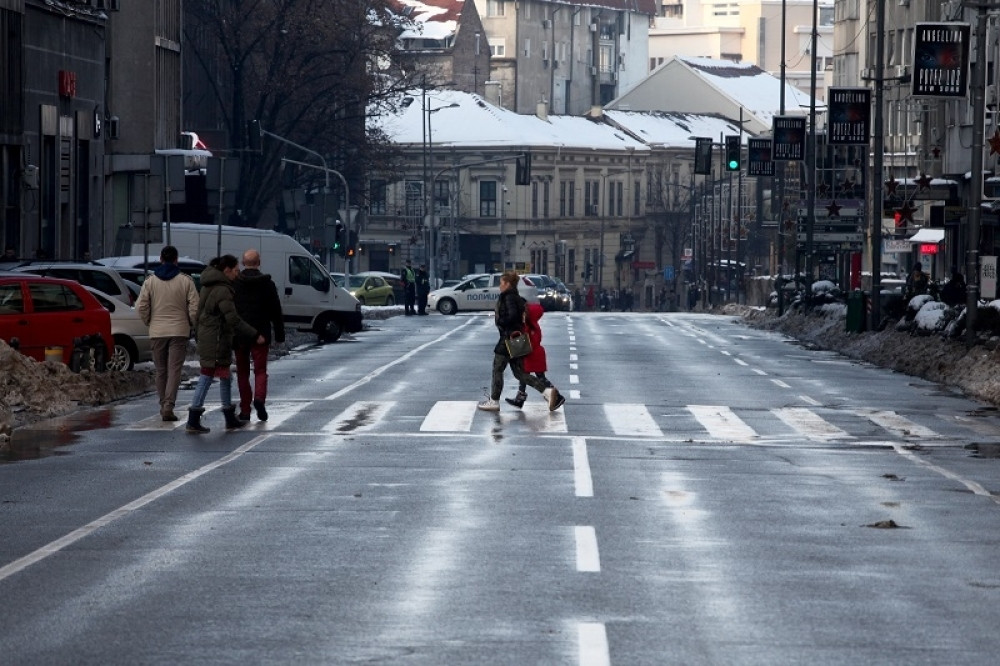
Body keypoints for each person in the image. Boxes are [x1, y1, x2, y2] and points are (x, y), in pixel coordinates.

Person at [186, 255, 264, 434]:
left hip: (211, 337)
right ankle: (193, 418)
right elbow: (233, 319)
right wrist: (254, 334)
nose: (238, 274)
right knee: (206, 376)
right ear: (226, 270)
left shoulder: (209, 285)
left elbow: (199, 314)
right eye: (236, 270)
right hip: (216, 339)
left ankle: (229, 417)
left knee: (226, 376)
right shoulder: (222, 290)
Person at [477, 271, 564, 412]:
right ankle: (547, 392)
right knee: (520, 373)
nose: (500, 286)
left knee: (497, 368)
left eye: (501, 283)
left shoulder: (508, 297)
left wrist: (501, 321)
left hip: (508, 339)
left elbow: (512, 316)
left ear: (507, 284)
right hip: (517, 338)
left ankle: (494, 400)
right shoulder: (517, 297)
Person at [136, 245, 200, 421]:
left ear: (161, 259)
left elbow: (141, 306)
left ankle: (162, 402)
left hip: (157, 331)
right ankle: (168, 406)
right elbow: (195, 307)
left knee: (161, 370)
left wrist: (149, 321)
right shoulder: (186, 281)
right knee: (174, 370)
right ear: (176, 259)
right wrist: (191, 324)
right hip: (179, 330)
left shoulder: (150, 281)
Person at [233, 249, 285, 422]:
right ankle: (260, 399)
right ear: (259, 263)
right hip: (261, 334)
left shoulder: (236, 284)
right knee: (261, 370)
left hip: (240, 334)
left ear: (242, 262)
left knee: (242, 373)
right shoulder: (267, 284)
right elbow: (276, 311)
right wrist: (279, 335)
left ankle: (245, 410)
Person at [505, 302, 554, 408]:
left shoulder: (530, 327)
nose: (522, 316)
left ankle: (555, 395)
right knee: (525, 377)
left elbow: (530, 342)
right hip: (532, 355)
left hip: (533, 355)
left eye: (524, 314)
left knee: (538, 378)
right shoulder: (531, 325)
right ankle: (520, 399)